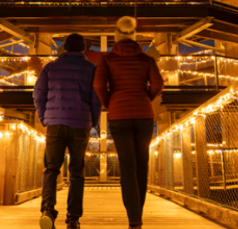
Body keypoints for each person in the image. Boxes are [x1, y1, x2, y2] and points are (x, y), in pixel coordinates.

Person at [94, 16, 164, 229]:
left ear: (116, 36)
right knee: (142, 165)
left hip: (118, 115)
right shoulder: (147, 60)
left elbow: (98, 85)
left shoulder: (107, 59)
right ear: (134, 37)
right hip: (144, 114)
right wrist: (146, 98)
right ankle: (137, 214)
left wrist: (109, 103)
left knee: (128, 167)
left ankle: (134, 219)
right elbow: (158, 84)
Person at [34, 33, 100, 229]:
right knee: (77, 172)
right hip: (80, 123)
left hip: (54, 123)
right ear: (82, 49)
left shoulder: (50, 67)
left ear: (64, 48)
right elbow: (96, 98)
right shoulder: (91, 69)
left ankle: (47, 210)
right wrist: (93, 120)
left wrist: (44, 117)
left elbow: (38, 93)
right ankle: (73, 218)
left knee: (51, 169)